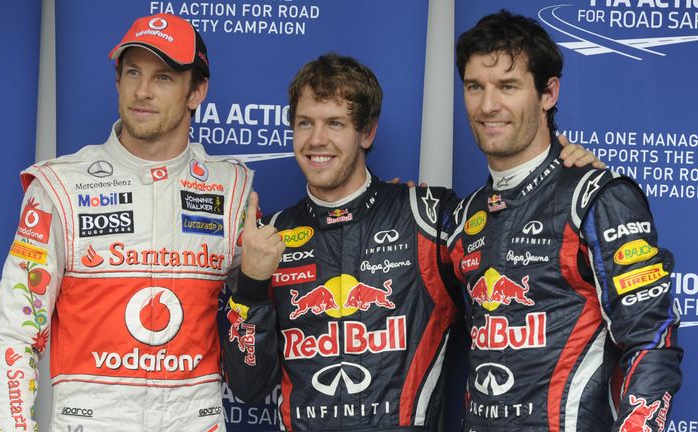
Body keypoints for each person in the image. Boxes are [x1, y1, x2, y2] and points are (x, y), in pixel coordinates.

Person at [221, 53, 599, 431]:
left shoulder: (429, 218)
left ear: (367, 132)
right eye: (305, 123)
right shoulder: (270, 237)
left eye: (335, 123)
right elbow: (249, 386)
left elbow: (521, 273)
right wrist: (251, 287)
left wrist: (562, 176)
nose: (317, 140)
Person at [0, 13, 252, 432]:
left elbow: (256, 311)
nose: (142, 92)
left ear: (196, 91)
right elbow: (15, 330)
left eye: (163, 77)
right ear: (117, 80)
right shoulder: (60, 186)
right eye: (132, 73)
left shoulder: (231, 189)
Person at [446, 10, 682, 431]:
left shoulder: (596, 197)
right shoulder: (468, 215)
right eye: (474, 86)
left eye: (508, 86)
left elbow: (650, 340)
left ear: (548, 93)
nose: (487, 105)